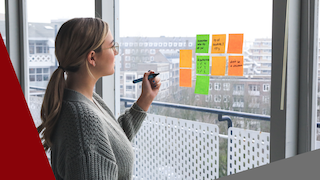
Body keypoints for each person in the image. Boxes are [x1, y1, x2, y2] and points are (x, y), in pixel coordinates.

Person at [37, 17, 161, 180]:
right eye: (112, 46)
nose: (116, 52)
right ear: (92, 57)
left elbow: (111, 146)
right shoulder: (82, 119)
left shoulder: (83, 99)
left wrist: (145, 100)